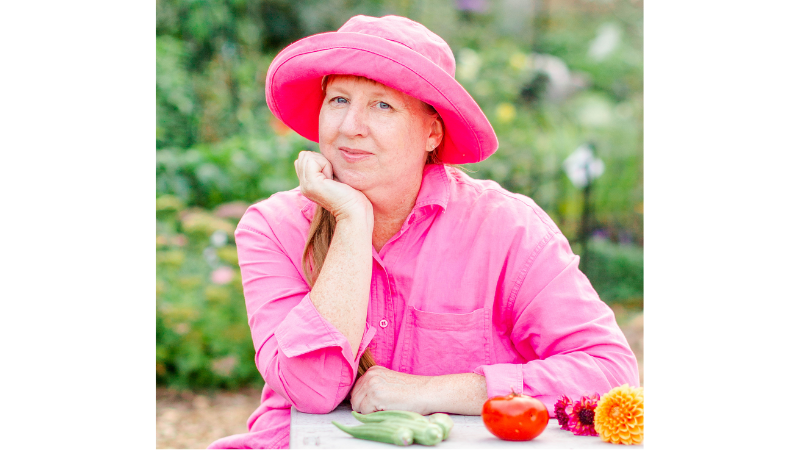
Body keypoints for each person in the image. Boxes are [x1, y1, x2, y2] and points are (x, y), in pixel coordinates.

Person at [208, 14, 639, 449]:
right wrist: (352, 221)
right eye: (338, 99)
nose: (350, 125)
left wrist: (432, 391)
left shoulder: (506, 228)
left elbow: (610, 371)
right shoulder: (274, 227)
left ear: (432, 131)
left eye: (382, 105)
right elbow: (313, 390)